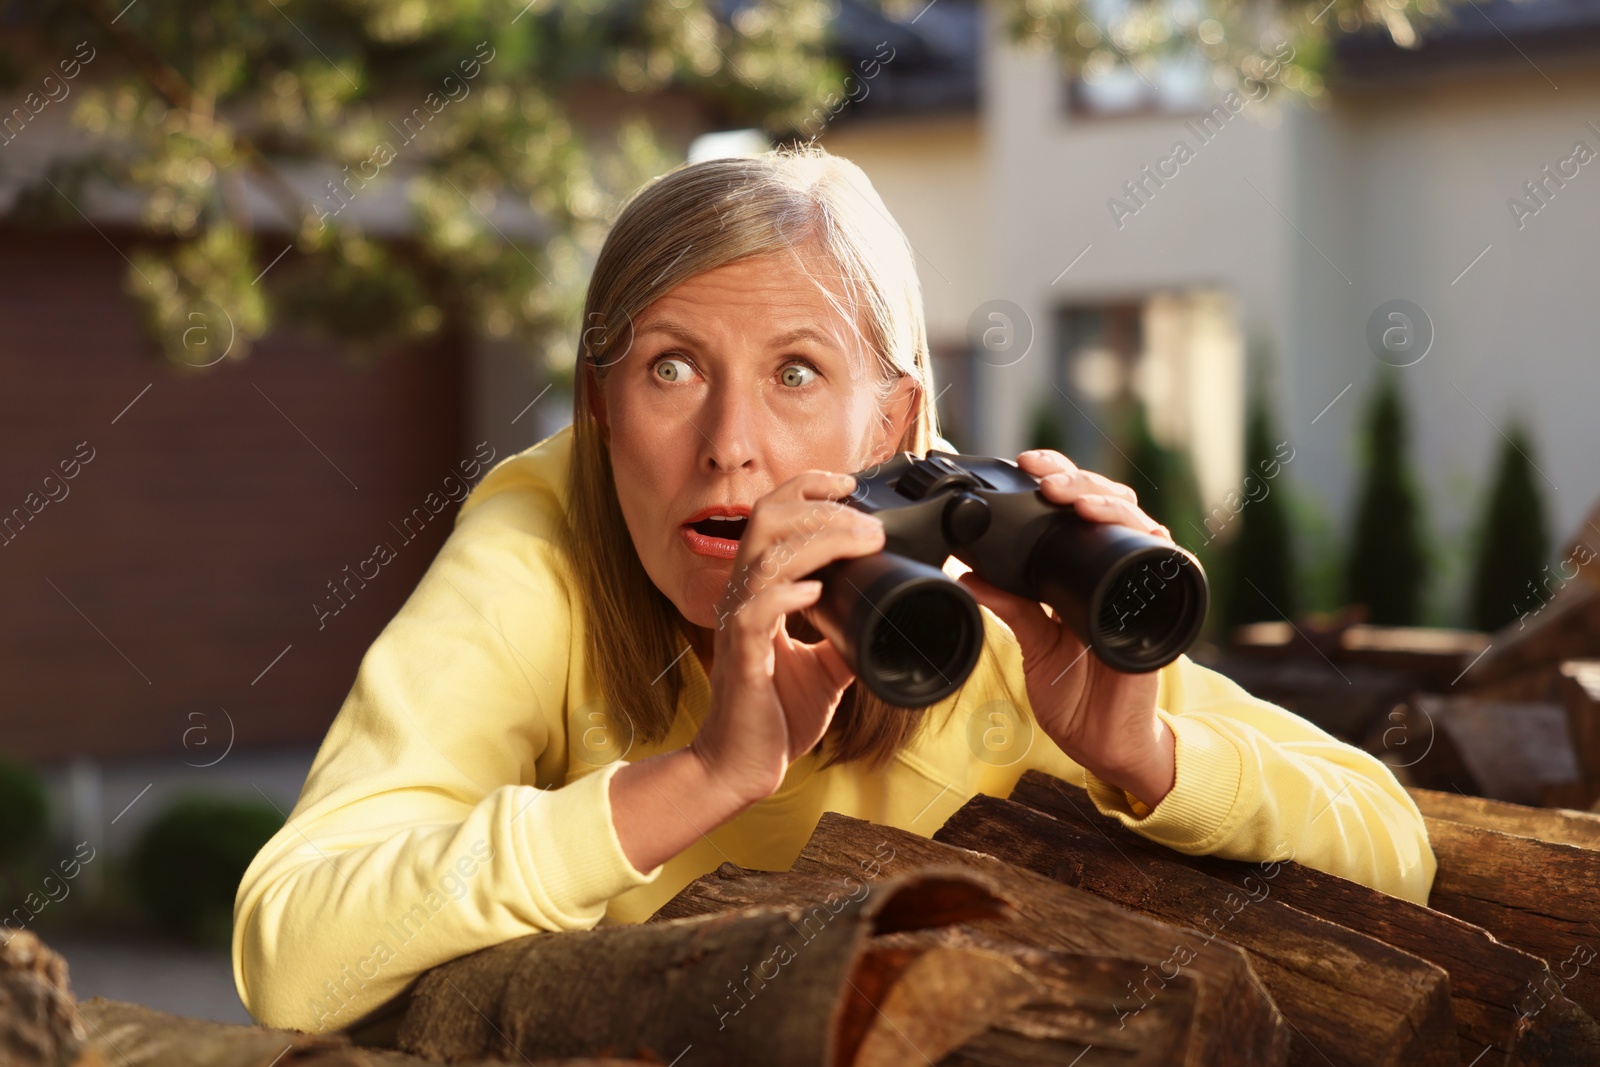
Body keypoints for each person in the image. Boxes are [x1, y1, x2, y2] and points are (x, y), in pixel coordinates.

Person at [232, 144, 1436, 1038]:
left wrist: (1147, 748)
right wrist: (699, 777)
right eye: (668, 368)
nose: (728, 444)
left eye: (797, 372)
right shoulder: (548, 531)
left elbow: (1396, 846)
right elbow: (294, 950)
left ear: (898, 418)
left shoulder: (999, 602)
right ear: (599, 410)